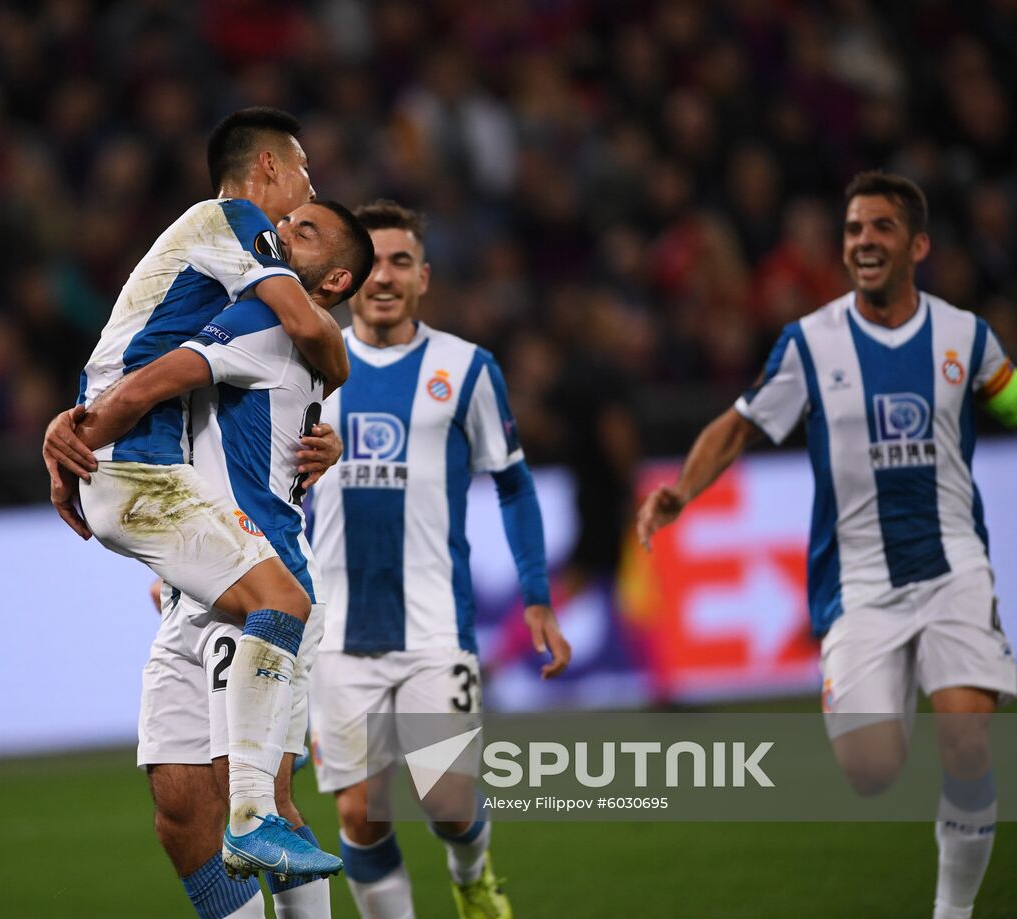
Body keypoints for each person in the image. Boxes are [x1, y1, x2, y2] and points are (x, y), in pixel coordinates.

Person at [636, 171, 1017, 919]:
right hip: (859, 580)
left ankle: (953, 911)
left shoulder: (964, 337)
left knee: (968, 738)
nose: (863, 242)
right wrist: (682, 490)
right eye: (853, 230)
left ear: (918, 244)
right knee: (871, 769)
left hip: (953, 566)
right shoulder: (811, 342)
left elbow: (1008, 396)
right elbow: (741, 423)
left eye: (879, 228)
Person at [42, 108, 350, 879]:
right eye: (304, 173)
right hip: (133, 462)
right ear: (271, 170)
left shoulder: (218, 280)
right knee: (281, 604)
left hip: (149, 472)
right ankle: (250, 816)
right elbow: (297, 320)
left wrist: (80, 419)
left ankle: (251, 814)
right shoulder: (235, 222)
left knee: (185, 809)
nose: (307, 193)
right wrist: (86, 426)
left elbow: (303, 343)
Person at [305, 200, 573, 919]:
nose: (384, 277)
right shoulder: (307, 363)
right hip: (333, 632)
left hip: (434, 626)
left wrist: (537, 596)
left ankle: (472, 872)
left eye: (400, 262)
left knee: (449, 799)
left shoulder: (467, 368)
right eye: (372, 262)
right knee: (362, 814)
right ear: (345, 274)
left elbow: (514, 483)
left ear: (423, 277)